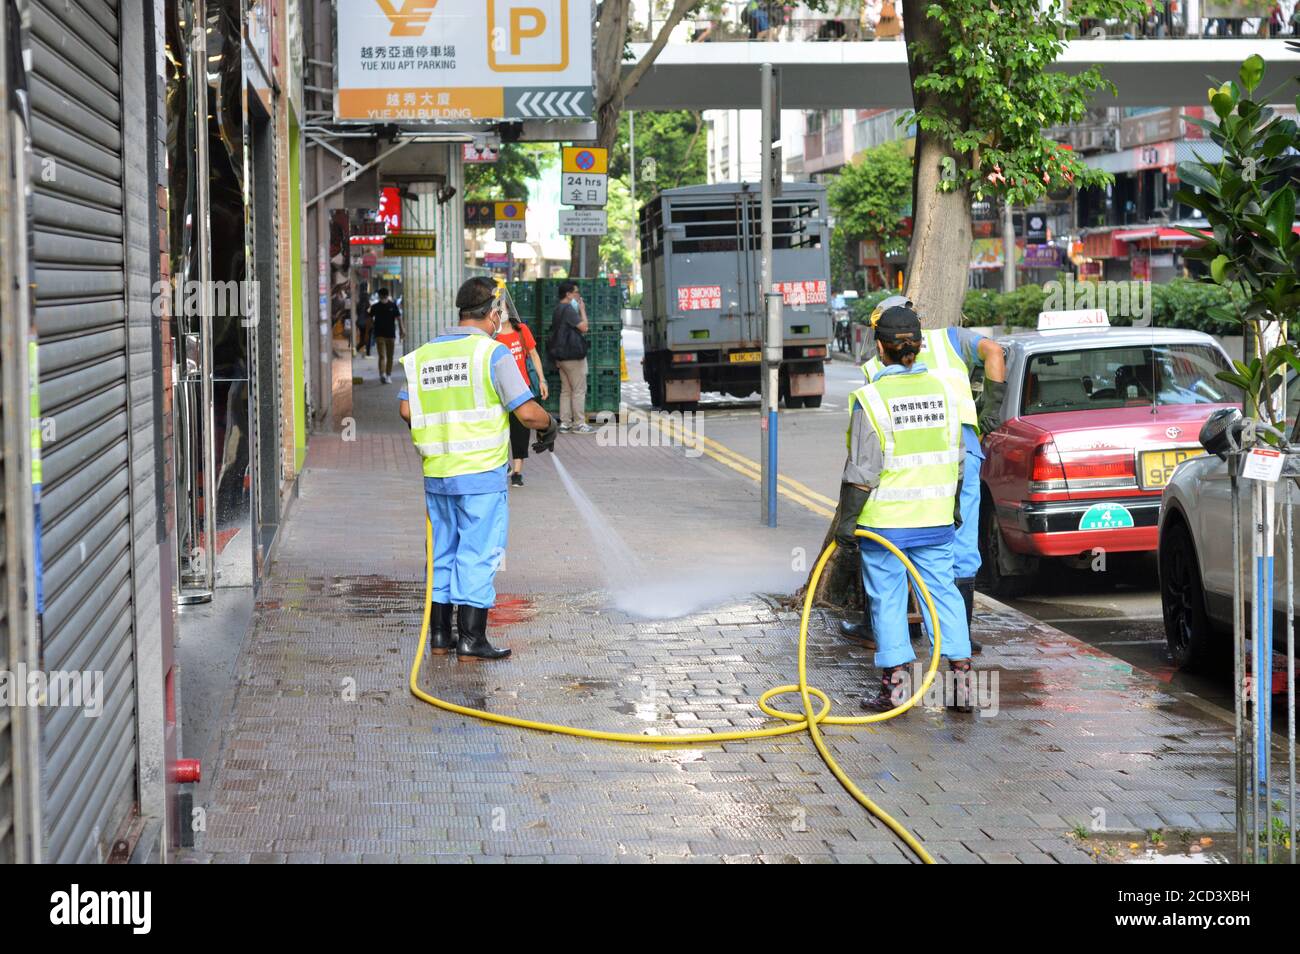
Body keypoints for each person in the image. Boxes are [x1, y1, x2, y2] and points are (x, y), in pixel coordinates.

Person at [398, 277, 558, 660]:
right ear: (492, 313)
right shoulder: (492, 354)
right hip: (481, 474)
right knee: (477, 552)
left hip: (438, 474)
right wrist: (549, 424)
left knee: (442, 552)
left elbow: (406, 410)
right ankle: (471, 639)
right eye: (498, 313)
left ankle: (439, 637)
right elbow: (526, 411)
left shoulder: (422, 355)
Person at [840, 294, 1007, 653]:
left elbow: (864, 465)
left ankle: (895, 671)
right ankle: (960, 655)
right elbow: (996, 352)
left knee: (887, 578)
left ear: (881, 338)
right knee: (952, 561)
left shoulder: (875, 369)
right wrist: (989, 413)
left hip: (899, 481)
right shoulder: (951, 340)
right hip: (955, 451)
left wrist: (848, 523)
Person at [835, 305, 975, 713]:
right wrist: (952, 509)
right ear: (919, 345)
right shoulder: (946, 395)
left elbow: (862, 470)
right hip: (934, 519)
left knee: (888, 600)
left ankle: (895, 688)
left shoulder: (871, 398)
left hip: (886, 525)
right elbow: (959, 459)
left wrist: (847, 522)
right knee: (943, 595)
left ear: (880, 348)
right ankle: (962, 683)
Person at [496, 305, 549, 486]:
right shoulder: (492, 336)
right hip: (498, 391)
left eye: (503, 308)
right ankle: (504, 465)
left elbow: (533, 354)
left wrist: (542, 380)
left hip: (521, 389)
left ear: (509, 310)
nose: (501, 312)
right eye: (497, 309)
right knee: (499, 430)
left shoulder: (521, 330)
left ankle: (518, 471)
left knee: (521, 432)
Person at [547, 281, 593, 433]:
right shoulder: (568, 309)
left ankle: (565, 423)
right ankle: (579, 423)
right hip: (573, 356)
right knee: (579, 390)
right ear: (568, 294)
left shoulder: (557, 309)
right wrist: (582, 310)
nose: (577, 295)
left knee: (566, 391)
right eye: (575, 292)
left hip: (560, 356)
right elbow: (584, 327)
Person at [369, 288, 404, 384]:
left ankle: (383, 374)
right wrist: (402, 330)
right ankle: (387, 375)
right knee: (389, 357)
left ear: (379, 295)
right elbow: (399, 319)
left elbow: (370, 319)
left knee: (382, 356)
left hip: (380, 334)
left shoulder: (375, 306)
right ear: (388, 295)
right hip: (389, 335)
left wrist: (371, 329)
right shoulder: (392, 305)